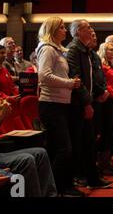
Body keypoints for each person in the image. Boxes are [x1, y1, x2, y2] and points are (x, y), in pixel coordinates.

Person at [36, 16, 84, 197]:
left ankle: (60, 187)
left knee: (60, 148)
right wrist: (69, 83)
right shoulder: (47, 49)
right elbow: (44, 76)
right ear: (53, 30)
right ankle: (55, 189)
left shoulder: (58, 50)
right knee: (64, 149)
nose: (65, 30)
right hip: (51, 104)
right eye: (62, 27)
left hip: (60, 104)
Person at [66, 19, 113, 189]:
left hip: (89, 101)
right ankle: (79, 179)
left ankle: (93, 179)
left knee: (89, 143)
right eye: (88, 27)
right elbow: (76, 79)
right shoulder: (73, 50)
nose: (92, 30)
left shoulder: (86, 51)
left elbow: (94, 79)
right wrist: (87, 103)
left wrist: (98, 95)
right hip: (77, 104)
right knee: (79, 144)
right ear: (78, 31)